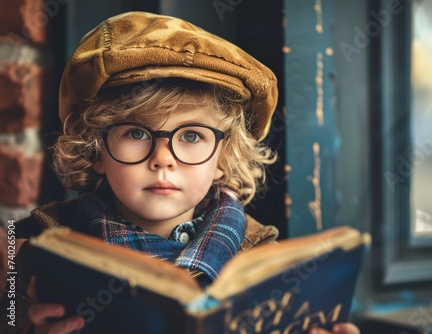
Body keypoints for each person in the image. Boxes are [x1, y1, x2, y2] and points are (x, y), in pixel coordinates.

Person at [0, 12, 360, 334]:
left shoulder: (264, 263)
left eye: (191, 136)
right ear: (96, 149)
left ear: (223, 157)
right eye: (136, 133)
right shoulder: (34, 248)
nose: (162, 159)